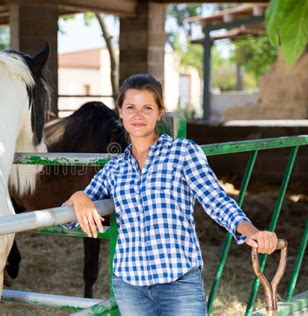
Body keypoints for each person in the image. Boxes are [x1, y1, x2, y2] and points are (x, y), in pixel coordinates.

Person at [63, 74, 278, 316]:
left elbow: (216, 200)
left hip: (178, 284)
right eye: (130, 107)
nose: (138, 115)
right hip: (130, 286)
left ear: (160, 112)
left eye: (147, 108)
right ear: (120, 112)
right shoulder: (115, 168)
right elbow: (69, 218)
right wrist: (79, 195)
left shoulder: (183, 153)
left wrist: (252, 232)